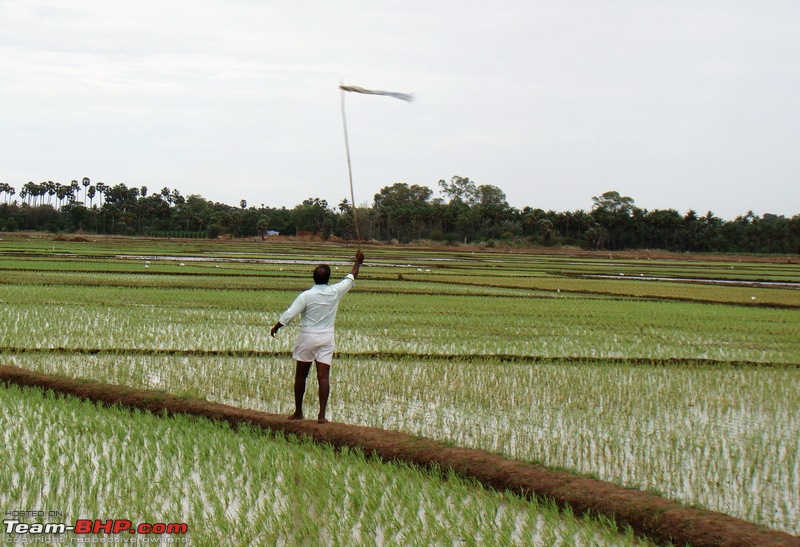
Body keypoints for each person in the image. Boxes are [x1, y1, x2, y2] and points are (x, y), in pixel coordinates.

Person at [270, 249, 364, 423]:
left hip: (307, 337)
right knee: (323, 377)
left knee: (301, 376)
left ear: (314, 278)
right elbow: (351, 278)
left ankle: (298, 412)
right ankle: (321, 415)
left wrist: (276, 327)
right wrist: (358, 262)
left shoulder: (306, 295)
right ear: (328, 279)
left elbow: (290, 314)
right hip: (326, 337)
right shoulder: (335, 291)